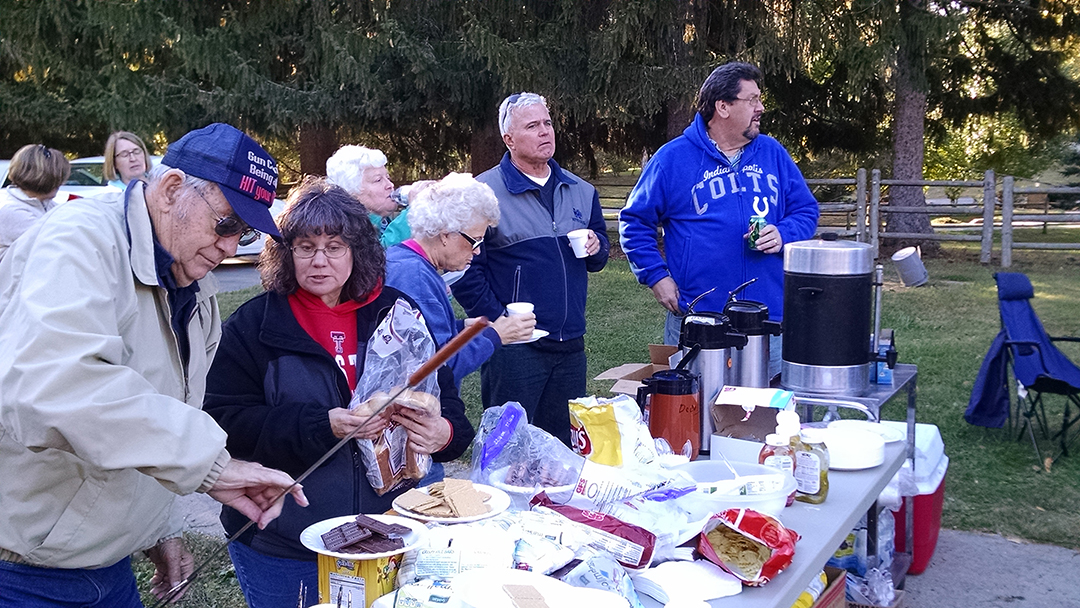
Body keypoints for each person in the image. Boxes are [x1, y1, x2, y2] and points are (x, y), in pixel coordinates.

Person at [0, 123, 308, 607]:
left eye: (245, 232)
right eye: (227, 223)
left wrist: (156, 527)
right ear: (170, 190)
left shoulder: (195, 285)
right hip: (24, 571)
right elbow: (56, 385)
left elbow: (160, 406)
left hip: (105, 563)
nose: (232, 246)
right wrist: (213, 466)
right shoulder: (78, 240)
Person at [203, 177, 475, 608]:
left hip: (388, 534)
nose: (319, 260)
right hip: (285, 543)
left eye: (334, 246)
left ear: (357, 250)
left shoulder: (397, 312)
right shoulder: (254, 327)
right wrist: (322, 425)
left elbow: (447, 402)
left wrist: (444, 434)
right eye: (305, 247)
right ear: (284, 252)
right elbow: (223, 425)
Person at [619, 61, 819, 376]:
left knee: (769, 415)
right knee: (695, 413)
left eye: (759, 99)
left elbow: (806, 210)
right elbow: (634, 222)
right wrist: (656, 276)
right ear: (722, 106)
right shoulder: (673, 158)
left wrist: (784, 233)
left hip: (770, 318)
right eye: (751, 99)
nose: (761, 108)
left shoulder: (773, 153)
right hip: (700, 318)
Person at [451, 92, 610, 446]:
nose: (545, 132)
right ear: (509, 139)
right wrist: (500, 321)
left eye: (548, 123)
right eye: (533, 126)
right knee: (506, 447)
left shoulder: (580, 190)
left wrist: (598, 246)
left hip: (570, 345)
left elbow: (598, 256)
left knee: (562, 450)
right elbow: (463, 271)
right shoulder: (483, 193)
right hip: (516, 350)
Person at [386, 172, 536, 387]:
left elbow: (418, 335)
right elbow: (439, 367)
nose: (477, 252)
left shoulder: (403, 259)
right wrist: (495, 336)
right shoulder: (414, 277)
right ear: (446, 234)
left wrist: (461, 328)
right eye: (475, 241)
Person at [326, 144, 411, 247]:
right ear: (353, 192)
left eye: (387, 177)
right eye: (378, 180)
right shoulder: (347, 229)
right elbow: (380, 255)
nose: (390, 185)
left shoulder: (384, 223)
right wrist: (415, 211)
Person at [0, 144, 70, 262]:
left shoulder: (43, 202)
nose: (62, 183)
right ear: (45, 179)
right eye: (59, 178)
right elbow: (59, 245)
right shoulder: (11, 210)